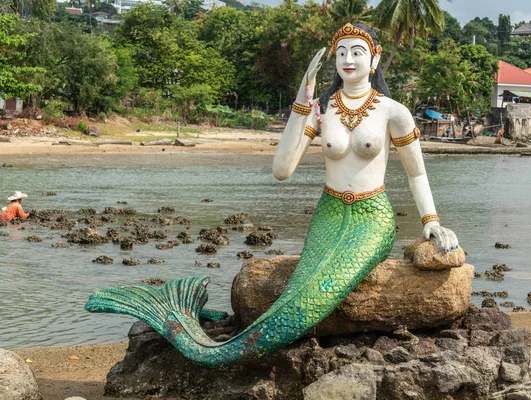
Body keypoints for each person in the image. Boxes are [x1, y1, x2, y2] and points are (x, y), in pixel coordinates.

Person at [84, 23, 459, 368]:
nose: (348, 59)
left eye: (357, 51)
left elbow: (417, 173)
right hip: (329, 212)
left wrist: (431, 222)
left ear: (374, 58)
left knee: (320, 289)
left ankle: (212, 340)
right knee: (301, 288)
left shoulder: (394, 111)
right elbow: (282, 170)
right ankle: (199, 334)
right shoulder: (321, 108)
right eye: (341, 51)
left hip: (372, 216)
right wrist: (302, 99)